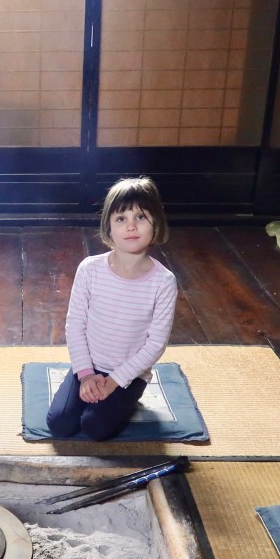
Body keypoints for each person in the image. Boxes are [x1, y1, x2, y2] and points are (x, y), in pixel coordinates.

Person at [46, 177, 177, 441]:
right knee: (60, 423)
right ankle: (86, 384)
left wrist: (115, 381)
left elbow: (155, 344)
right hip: (88, 366)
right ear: (109, 226)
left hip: (128, 374)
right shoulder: (90, 269)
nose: (131, 226)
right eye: (120, 219)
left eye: (140, 217)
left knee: (95, 427)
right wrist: (85, 375)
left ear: (156, 224)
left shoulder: (163, 282)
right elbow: (75, 325)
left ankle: (128, 398)